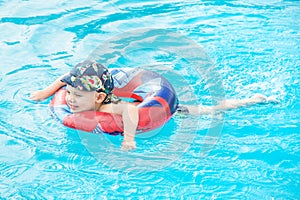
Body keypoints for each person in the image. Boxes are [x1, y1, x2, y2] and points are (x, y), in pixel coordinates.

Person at [30, 60, 278, 150]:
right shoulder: (75, 92)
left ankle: (249, 100)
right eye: (69, 93)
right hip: (132, 100)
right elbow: (64, 80)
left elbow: (129, 110)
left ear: (97, 98)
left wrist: (129, 139)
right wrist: (44, 93)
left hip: (158, 111)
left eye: (77, 96)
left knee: (203, 111)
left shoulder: (107, 108)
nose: (70, 99)